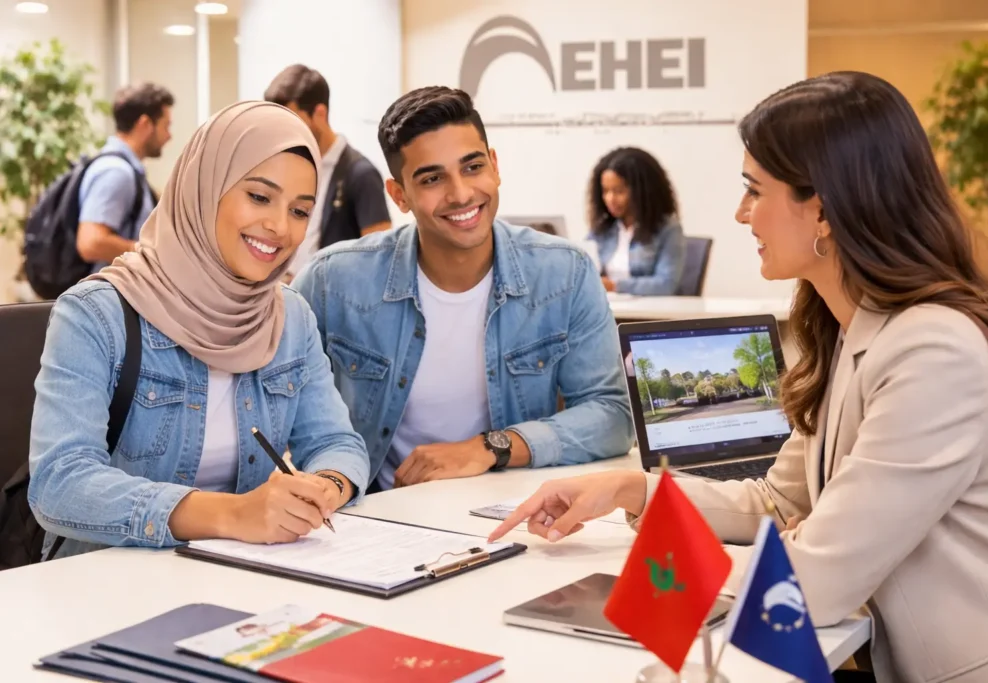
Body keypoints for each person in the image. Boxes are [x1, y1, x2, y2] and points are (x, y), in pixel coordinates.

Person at [490, 72, 988, 683]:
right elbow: (780, 502)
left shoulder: (936, 351)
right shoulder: (852, 326)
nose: (741, 214)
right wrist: (630, 491)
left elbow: (812, 583)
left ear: (821, 208)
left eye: (754, 190)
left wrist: (647, 575)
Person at [29, 101, 370, 559]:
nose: (278, 227)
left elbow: (337, 442)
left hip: (237, 575)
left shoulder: (290, 317)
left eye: (300, 210)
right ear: (205, 189)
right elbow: (60, 482)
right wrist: (232, 515)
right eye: (259, 197)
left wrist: (325, 488)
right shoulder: (96, 314)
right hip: (104, 580)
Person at [294, 86, 633, 492]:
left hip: (506, 510)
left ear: (494, 166)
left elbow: (613, 415)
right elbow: (278, 413)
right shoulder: (333, 282)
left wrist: (491, 448)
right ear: (399, 195)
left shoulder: (565, 273)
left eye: (472, 167)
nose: (460, 194)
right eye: (432, 178)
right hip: (373, 518)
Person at [264, 64, 392, 280]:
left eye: (293, 121)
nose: (286, 132)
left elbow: (381, 260)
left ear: (320, 113)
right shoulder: (291, 168)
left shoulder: (361, 174)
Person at [76, 82, 174, 271]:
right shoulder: (116, 172)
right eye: (166, 126)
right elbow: (91, 242)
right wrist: (145, 252)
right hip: (107, 296)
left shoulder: (126, 170)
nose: (169, 136)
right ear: (145, 124)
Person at [587, 146, 686, 295]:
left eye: (619, 191)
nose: (610, 199)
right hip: (607, 310)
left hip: (648, 314)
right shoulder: (603, 229)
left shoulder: (668, 229)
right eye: (605, 191)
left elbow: (666, 284)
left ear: (643, 191)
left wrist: (614, 286)